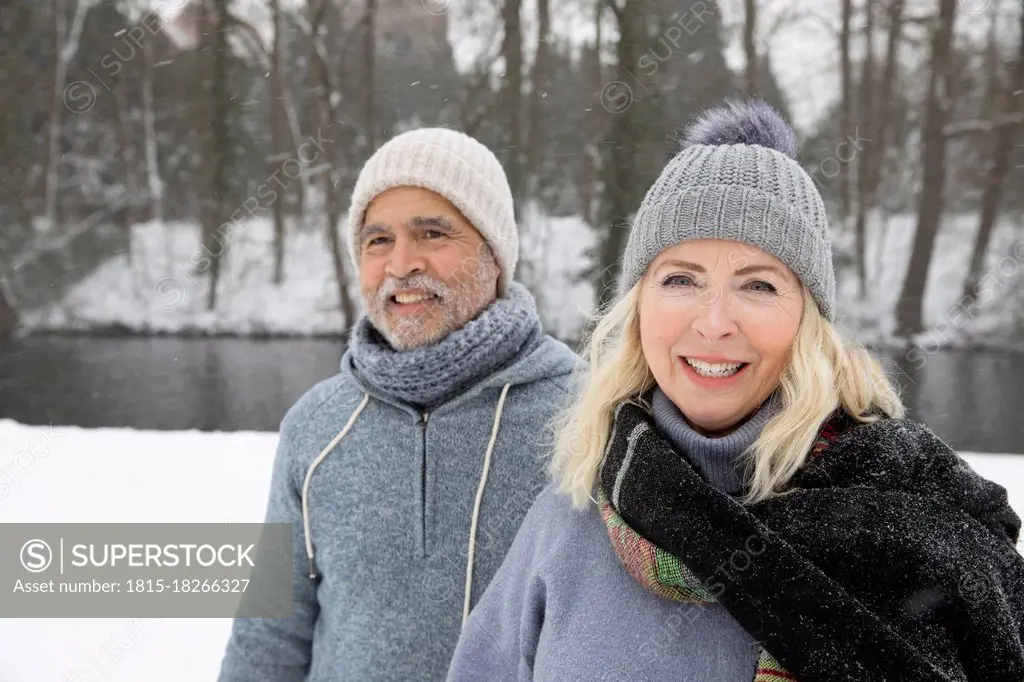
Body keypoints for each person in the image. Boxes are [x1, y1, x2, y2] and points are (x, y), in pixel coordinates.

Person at [447, 100, 1024, 681]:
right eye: (680, 279)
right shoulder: (569, 522)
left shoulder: (916, 529)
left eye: (758, 285)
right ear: (638, 307)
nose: (715, 322)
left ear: (809, 319)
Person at [218, 127, 583, 682]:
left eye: (432, 233)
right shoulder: (315, 428)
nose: (400, 264)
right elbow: (269, 633)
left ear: (494, 252)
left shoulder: (587, 417)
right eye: (377, 240)